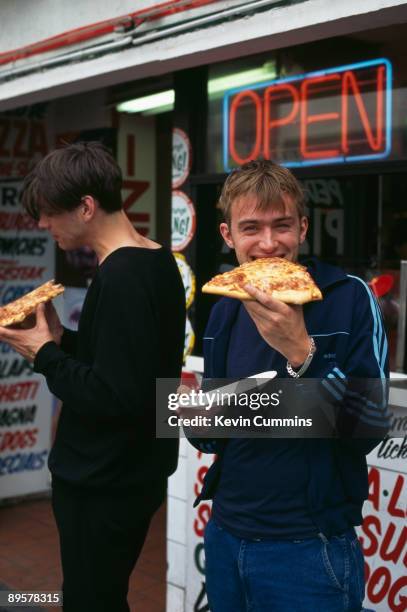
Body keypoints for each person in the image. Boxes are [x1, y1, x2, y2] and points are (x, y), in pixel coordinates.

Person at [188, 160, 389, 612]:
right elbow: (211, 433)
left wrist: (304, 354)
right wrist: (188, 413)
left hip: (309, 548)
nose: (268, 244)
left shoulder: (349, 298)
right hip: (225, 533)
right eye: (251, 228)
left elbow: (370, 429)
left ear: (302, 227)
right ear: (227, 236)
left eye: (282, 226)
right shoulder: (224, 308)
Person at [0, 142, 186, 612]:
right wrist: (64, 341)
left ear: (86, 206)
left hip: (105, 480)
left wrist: (42, 353)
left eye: (48, 214)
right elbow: (135, 368)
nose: (43, 225)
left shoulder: (120, 276)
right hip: (135, 470)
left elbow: (111, 396)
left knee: (90, 600)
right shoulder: (155, 258)